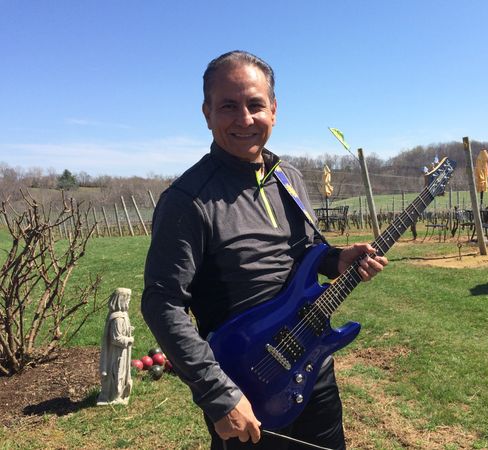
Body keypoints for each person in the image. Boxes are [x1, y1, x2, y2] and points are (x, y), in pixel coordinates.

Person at [141, 50, 387, 450]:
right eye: (228, 106)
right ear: (206, 113)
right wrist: (219, 395)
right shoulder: (187, 200)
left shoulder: (289, 178)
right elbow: (162, 303)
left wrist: (335, 259)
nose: (244, 119)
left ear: (273, 110)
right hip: (243, 386)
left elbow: (307, 249)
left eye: (255, 105)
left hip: (312, 366)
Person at [97, 287, 134, 405]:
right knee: (118, 372)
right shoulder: (118, 319)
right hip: (117, 352)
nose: (129, 301)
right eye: (128, 299)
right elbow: (116, 339)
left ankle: (118, 393)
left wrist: (128, 330)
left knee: (121, 371)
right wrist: (129, 339)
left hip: (122, 350)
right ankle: (115, 395)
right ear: (121, 300)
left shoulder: (123, 315)